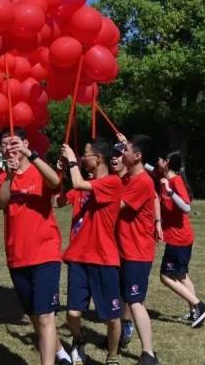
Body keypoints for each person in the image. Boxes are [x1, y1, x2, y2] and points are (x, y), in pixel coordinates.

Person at [0, 127, 71, 365]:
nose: (9, 148)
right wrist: (9, 176)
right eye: (4, 144)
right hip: (16, 254)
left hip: (45, 252)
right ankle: (60, 352)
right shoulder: (2, 174)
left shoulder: (40, 168)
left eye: (13, 143)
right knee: (34, 315)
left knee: (46, 315)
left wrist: (31, 155)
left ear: (25, 143)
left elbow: (56, 182)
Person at [57, 140, 124, 365]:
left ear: (99, 158)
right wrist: (60, 174)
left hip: (104, 259)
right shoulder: (83, 186)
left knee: (112, 318)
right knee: (73, 314)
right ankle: (79, 339)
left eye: (85, 154)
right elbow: (58, 201)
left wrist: (72, 162)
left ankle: (112, 355)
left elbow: (78, 183)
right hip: (78, 258)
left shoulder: (112, 183)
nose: (82, 157)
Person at [116, 133, 159, 365]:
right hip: (125, 250)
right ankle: (122, 335)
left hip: (137, 253)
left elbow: (117, 206)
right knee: (124, 297)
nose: (122, 154)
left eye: (126, 150)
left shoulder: (142, 182)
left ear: (138, 156)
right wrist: (124, 141)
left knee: (135, 301)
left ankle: (149, 353)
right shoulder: (129, 178)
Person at [156, 151, 205, 328]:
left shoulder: (175, 181)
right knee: (181, 275)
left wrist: (170, 191)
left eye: (159, 159)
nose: (156, 161)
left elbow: (186, 207)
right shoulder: (164, 177)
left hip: (179, 238)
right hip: (178, 237)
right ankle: (195, 313)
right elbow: (145, 167)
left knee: (166, 276)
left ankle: (199, 306)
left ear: (166, 162)